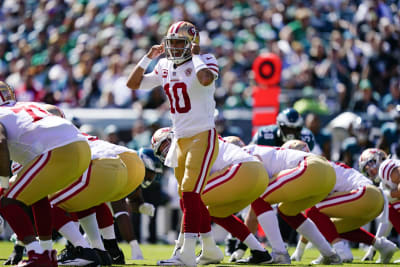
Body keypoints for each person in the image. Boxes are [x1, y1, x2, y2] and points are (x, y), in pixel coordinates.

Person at [126, 21, 220, 266]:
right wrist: (147, 58)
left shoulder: (206, 59)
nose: (175, 47)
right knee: (187, 195)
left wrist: (197, 56)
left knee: (190, 191)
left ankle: (187, 254)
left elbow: (205, 79)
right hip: (179, 137)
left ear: (192, 44)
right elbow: (133, 84)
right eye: (172, 42)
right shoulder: (164, 64)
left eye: (180, 42)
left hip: (202, 134)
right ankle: (210, 248)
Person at [0, 81, 91, 266]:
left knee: (6, 200)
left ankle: (36, 253)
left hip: (57, 150)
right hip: (82, 147)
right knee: (37, 196)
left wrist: (3, 182)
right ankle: (47, 253)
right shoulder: (29, 104)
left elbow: (1, 143)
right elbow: (55, 112)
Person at [151, 128, 273, 264]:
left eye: (165, 144)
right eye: (161, 150)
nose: (166, 150)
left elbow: (188, 199)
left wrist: (179, 245)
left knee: (190, 197)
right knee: (215, 212)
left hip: (243, 169)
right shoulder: (197, 139)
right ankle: (259, 251)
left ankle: (194, 251)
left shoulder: (188, 144)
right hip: (258, 175)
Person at [284, 140, 397, 264]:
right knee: (330, 226)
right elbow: (316, 222)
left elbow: (312, 211)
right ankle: (382, 245)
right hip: (375, 201)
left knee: (313, 210)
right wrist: (299, 250)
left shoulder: (313, 168)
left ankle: (340, 252)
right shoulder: (318, 165)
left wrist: (301, 249)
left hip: (366, 193)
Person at [233, 141, 342, 264]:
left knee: (260, 196)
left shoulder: (243, 154)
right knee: (288, 211)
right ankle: (329, 254)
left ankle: (280, 253)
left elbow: (254, 212)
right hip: (329, 172)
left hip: (310, 167)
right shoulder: (271, 154)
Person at [359, 148, 400, 263]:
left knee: (392, 207)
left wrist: (390, 194)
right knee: (390, 210)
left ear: (378, 159)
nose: (370, 172)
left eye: (369, 165)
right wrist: (373, 249)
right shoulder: (383, 181)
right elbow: (387, 220)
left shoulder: (387, 166)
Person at [251, 107, 317, 153]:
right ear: (279, 125)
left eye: (294, 129)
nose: (291, 132)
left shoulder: (307, 138)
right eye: (287, 129)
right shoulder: (264, 135)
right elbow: (251, 154)